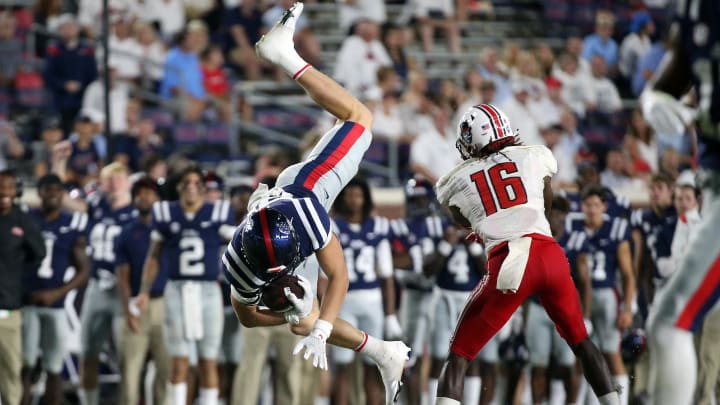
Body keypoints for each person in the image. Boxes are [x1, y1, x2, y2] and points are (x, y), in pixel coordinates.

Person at [222, 4, 409, 404]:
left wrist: (324, 329)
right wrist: (294, 317)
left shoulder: (305, 217)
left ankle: (284, 55)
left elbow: (338, 276)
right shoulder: (239, 262)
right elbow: (249, 317)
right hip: (276, 212)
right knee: (300, 320)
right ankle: (382, 351)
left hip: (307, 187)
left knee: (359, 117)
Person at [432, 103, 620, 405]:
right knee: (582, 342)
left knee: (458, 356)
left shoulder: (458, 178)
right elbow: (544, 199)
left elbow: (460, 217)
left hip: (509, 262)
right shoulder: (534, 155)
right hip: (550, 255)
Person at [639, 1, 720, 403]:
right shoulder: (696, 10)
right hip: (714, 184)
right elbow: (671, 78)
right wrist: (654, 101)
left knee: (671, 322)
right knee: (669, 324)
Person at [137, 167, 234, 405]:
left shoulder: (218, 212)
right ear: (178, 187)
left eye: (196, 182)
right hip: (177, 290)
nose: (191, 186)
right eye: (186, 181)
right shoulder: (165, 213)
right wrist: (144, 291)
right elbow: (153, 256)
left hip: (208, 291)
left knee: (208, 360)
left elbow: (239, 243)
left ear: (203, 187)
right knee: (179, 360)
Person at [330, 177, 401, 405]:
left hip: (372, 301)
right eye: (350, 195)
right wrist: (326, 311)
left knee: (373, 368)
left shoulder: (378, 226)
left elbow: (387, 274)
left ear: (366, 199)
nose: (354, 200)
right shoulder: (333, 227)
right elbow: (325, 276)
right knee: (343, 367)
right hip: (344, 301)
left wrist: (390, 314)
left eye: (358, 195)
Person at [22, 175, 90, 405]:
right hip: (26, 301)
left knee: (54, 367)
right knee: (25, 367)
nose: (52, 193)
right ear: (39, 192)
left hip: (57, 304)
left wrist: (58, 293)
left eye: (57, 190)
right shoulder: (25, 219)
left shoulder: (73, 223)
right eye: (47, 189)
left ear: (62, 194)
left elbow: (84, 270)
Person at [569, 186, 636, 405]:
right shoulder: (573, 227)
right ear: (581, 206)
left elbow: (627, 274)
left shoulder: (616, 229)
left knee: (611, 352)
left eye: (596, 205)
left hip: (607, 295)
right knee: (584, 355)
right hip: (580, 297)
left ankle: (622, 401)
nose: (591, 209)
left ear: (604, 207)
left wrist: (627, 308)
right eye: (587, 205)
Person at [79, 163, 135, 405]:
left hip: (124, 290)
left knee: (128, 358)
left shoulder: (137, 211)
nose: (114, 184)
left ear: (128, 182)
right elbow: (63, 200)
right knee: (88, 354)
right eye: (109, 180)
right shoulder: (95, 206)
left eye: (119, 179)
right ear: (101, 184)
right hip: (96, 287)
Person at [526, 195, 590, 405]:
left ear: (565, 216)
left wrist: (585, 315)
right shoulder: (534, 239)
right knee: (538, 365)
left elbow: (584, 281)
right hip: (538, 307)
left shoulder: (575, 241)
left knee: (567, 365)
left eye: (559, 214)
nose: (555, 218)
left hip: (565, 310)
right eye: (552, 213)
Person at [115, 177, 169, 405]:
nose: (144, 197)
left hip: (166, 303)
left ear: (158, 198)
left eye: (150, 193)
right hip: (137, 303)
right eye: (140, 193)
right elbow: (123, 277)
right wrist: (128, 310)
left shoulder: (170, 229)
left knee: (167, 371)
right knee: (130, 373)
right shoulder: (126, 233)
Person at [425, 225, 487, 405]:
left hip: (472, 299)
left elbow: (489, 271)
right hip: (444, 298)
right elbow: (427, 270)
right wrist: (446, 245)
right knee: (438, 356)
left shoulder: (484, 229)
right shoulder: (437, 228)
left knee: (471, 356)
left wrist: (474, 247)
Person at [0, 170, 46, 405]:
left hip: (8, 309)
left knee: (11, 370)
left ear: (16, 191)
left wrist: (15, 276)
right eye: (0, 187)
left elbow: (38, 254)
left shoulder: (22, 220)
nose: (4, 193)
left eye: (8, 187)